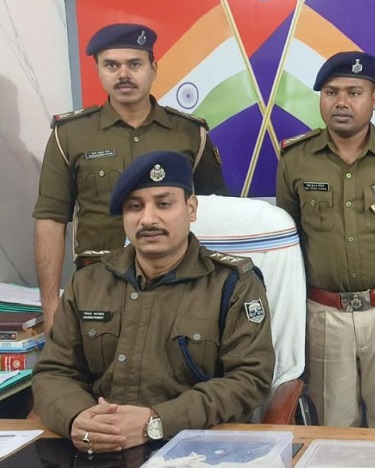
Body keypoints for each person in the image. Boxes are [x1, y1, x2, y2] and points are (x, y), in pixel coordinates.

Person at [32, 151, 274, 454]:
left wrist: (156, 421)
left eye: (163, 204)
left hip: (196, 450)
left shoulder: (233, 284)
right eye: (135, 206)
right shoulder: (89, 282)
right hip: (97, 447)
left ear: (191, 208)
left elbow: (249, 379)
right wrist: (77, 417)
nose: (148, 219)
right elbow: (54, 372)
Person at [33, 23, 229, 335]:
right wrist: (50, 305)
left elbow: (220, 213)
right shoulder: (69, 135)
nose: (123, 74)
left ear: (153, 69)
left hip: (179, 288)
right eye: (112, 65)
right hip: (98, 288)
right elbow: (50, 221)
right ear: (97, 70)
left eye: (134, 64)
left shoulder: (190, 133)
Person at [276, 51, 375, 428]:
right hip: (324, 315)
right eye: (331, 92)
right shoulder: (296, 159)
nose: (341, 102)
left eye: (354, 92)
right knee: (332, 429)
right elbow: (287, 247)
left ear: (374, 100)